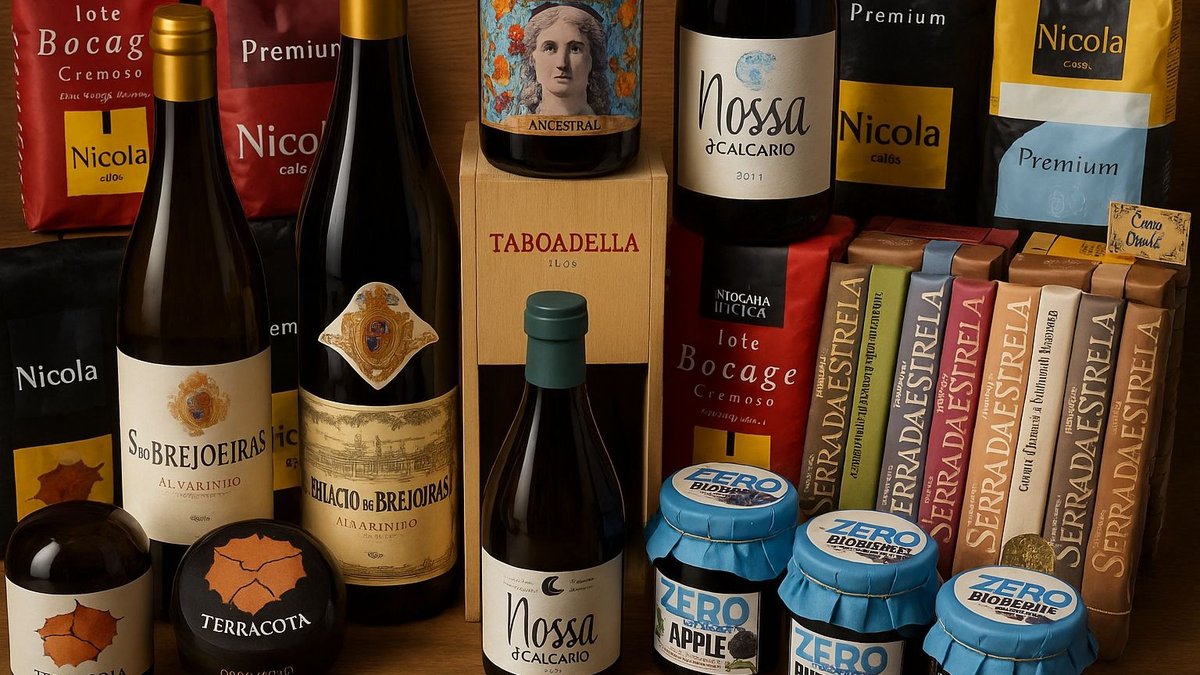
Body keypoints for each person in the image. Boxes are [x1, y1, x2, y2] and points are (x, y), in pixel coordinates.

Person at [519, 3, 609, 116]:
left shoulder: (614, 123)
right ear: (533, 59)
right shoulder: (516, 122)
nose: (562, 64)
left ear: (592, 59)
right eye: (549, 48)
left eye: (575, 49)